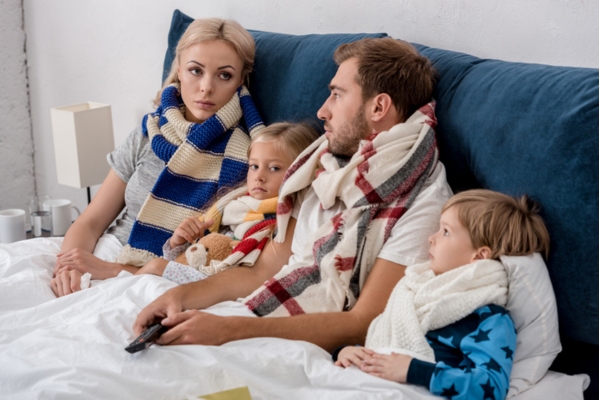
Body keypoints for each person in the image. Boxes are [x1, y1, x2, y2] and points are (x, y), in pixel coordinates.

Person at [133, 37, 453, 352]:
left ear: (379, 107)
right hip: (262, 307)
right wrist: (179, 296)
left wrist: (230, 330)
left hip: (304, 338)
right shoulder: (324, 166)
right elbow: (263, 271)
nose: (322, 111)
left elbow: (365, 320)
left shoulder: (423, 200)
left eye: (337, 95)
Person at [50, 18, 265, 297]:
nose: (206, 87)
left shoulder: (247, 158)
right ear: (178, 70)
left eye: (224, 75)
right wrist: (70, 266)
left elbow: (213, 262)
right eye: (195, 71)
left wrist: (115, 272)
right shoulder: (149, 131)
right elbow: (90, 222)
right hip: (107, 253)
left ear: (240, 80)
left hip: (163, 277)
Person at [333, 189, 550, 400]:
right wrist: (349, 352)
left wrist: (414, 370)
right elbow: (390, 344)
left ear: (480, 255)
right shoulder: (414, 293)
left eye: (445, 231)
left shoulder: (489, 319)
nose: (431, 238)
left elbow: (491, 387)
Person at [135, 122, 320, 283]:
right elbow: (194, 258)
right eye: (254, 166)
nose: (259, 177)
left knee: (154, 267)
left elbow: (251, 273)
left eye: (274, 168)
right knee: (153, 269)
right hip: (203, 274)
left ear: (301, 174)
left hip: (224, 282)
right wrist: (179, 243)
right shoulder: (232, 207)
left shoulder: (286, 222)